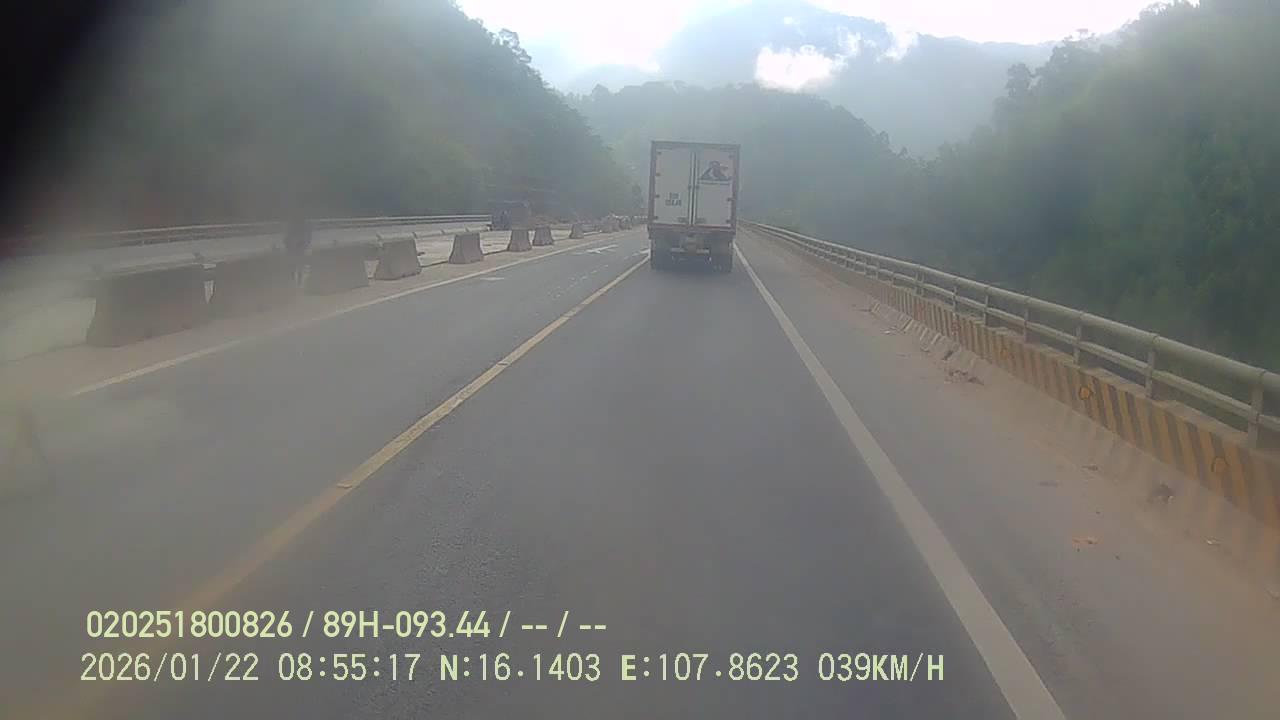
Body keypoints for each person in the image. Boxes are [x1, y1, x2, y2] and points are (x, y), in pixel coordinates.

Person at [283, 215, 312, 285]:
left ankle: (295, 278)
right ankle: (296, 278)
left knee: (296, 264)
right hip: (298, 247)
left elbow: (287, 240)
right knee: (298, 264)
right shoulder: (302, 230)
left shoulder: (294, 229)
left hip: (297, 248)